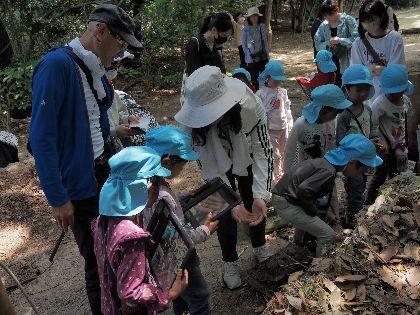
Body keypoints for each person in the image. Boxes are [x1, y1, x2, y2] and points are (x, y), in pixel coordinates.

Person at [29, 4, 143, 313]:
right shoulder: (57, 66)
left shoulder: (91, 67)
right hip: (80, 186)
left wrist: (115, 133)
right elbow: (41, 138)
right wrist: (57, 197)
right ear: (101, 31)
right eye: (120, 43)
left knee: (114, 249)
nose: (120, 53)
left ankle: (120, 302)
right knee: (98, 262)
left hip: (102, 173)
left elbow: (92, 121)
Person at [175, 65, 273, 290]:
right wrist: (230, 202)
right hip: (217, 163)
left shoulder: (250, 106)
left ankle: (259, 245)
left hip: (245, 154)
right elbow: (209, 167)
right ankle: (230, 261)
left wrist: (261, 195)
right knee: (225, 211)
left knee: (253, 201)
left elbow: (262, 152)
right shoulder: (191, 121)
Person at [92, 146, 188, 314]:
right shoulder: (132, 238)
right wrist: (169, 294)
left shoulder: (104, 219)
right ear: (149, 187)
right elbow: (130, 291)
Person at [145, 125, 219, 315]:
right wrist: (205, 230)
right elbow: (178, 238)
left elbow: (164, 200)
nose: (184, 168)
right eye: (183, 163)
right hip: (177, 256)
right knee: (199, 296)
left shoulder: (150, 183)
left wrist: (181, 195)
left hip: (164, 257)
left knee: (180, 293)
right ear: (168, 162)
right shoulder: (161, 195)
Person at [272, 134, 383, 257]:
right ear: (352, 162)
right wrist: (314, 212)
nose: (360, 174)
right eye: (362, 170)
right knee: (327, 234)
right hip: (287, 203)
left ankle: (298, 245)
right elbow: (304, 190)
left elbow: (309, 192)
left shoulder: (325, 164)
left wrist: (328, 215)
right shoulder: (328, 171)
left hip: (285, 198)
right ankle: (321, 269)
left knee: (307, 218)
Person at [366, 64, 415, 205]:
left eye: (398, 92)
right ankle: (369, 202)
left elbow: (410, 115)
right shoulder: (379, 104)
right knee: (381, 175)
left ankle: (395, 199)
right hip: (384, 146)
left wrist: (411, 134)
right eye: (391, 92)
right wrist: (380, 143)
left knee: (400, 171)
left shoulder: (405, 100)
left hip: (401, 143)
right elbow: (373, 126)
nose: (394, 95)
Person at [336, 64, 376, 228]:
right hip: (352, 160)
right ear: (347, 89)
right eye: (358, 90)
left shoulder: (367, 109)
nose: (363, 94)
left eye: (366, 90)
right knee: (355, 187)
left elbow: (372, 129)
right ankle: (352, 219)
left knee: (361, 185)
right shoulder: (344, 114)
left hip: (364, 157)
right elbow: (339, 139)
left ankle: (355, 214)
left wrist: (374, 140)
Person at [350, 0, 405, 107]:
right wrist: (379, 70)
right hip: (367, 100)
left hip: (391, 97)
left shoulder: (394, 38)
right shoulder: (358, 43)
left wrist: (370, 69)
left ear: (382, 17)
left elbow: (396, 72)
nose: (367, 24)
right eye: (364, 21)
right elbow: (356, 73)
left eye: (371, 20)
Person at [285, 84, 351, 170]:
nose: (336, 116)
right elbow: (289, 152)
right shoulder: (300, 125)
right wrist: (288, 175)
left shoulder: (332, 122)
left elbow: (332, 145)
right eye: (335, 112)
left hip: (325, 172)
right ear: (324, 109)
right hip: (304, 173)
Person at [256, 61, 293, 182]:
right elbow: (259, 112)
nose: (278, 82)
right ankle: (276, 175)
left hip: (283, 126)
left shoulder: (282, 92)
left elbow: (287, 108)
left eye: (279, 80)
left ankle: (282, 170)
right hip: (270, 128)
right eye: (275, 79)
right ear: (267, 77)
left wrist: (289, 122)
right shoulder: (261, 94)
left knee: (284, 151)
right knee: (275, 153)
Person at [314, 0, 358, 87]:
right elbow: (317, 44)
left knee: (347, 87)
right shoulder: (324, 25)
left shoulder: (348, 20)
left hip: (348, 61)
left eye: (330, 15)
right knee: (333, 87)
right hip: (330, 64)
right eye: (325, 16)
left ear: (337, 10)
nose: (328, 18)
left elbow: (357, 40)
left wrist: (340, 40)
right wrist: (328, 43)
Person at [106, 51, 141, 154]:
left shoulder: (109, 85)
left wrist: (127, 119)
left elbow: (116, 113)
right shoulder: (88, 91)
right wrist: (113, 131)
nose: (117, 66)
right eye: (114, 63)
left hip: (116, 145)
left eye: (119, 63)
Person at [242, 6, 269, 89]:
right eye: (252, 16)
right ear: (249, 18)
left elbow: (265, 41)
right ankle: (256, 96)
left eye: (255, 16)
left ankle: (266, 96)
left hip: (262, 57)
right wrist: (248, 56)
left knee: (265, 78)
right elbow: (244, 45)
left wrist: (267, 53)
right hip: (251, 58)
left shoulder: (262, 26)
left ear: (258, 16)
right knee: (254, 80)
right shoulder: (245, 29)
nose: (253, 18)